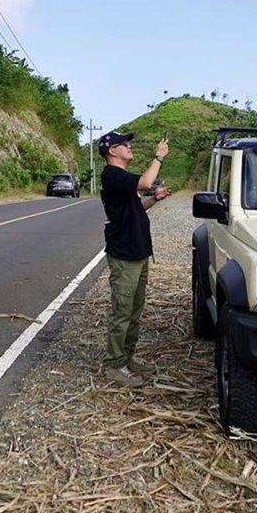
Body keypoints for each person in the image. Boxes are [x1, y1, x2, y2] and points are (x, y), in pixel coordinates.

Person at [98, 130, 171, 386]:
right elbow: (144, 181)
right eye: (123, 144)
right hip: (124, 254)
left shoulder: (121, 180)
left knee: (134, 310)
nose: (129, 146)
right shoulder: (112, 175)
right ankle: (114, 365)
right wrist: (159, 157)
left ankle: (128, 358)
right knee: (122, 312)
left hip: (138, 252)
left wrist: (155, 198)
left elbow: (136, 207)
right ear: (112, 151)